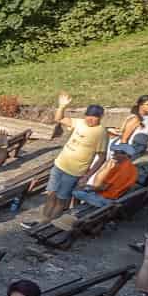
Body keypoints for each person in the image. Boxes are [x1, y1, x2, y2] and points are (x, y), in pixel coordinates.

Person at [38, 95, 109, 225]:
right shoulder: (79, 122)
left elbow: (102, 157)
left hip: (74, 172)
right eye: (88, 115)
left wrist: (87, 176)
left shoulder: (101, 133)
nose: (90, 119)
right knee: (51, 194)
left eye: (94, 117)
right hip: (59, 165)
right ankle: (43, 221)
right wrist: (62, 106)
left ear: (100, 117)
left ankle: (49, 224)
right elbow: (58, 119)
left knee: (61, 199)